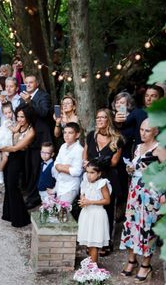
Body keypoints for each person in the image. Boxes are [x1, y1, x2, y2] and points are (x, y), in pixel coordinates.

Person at [120, 119, 166, 282]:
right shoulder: (138, 147)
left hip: (151, 195)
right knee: (131, 226)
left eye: (147, 130)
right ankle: (132, 260)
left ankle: (146, 265)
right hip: (134, 193)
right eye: (141, 129)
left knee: (147, 228)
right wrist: (130, 169)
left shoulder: (160, 149)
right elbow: (136, 168)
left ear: (156, 131)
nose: (142, 133)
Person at [83, 109, 124, 253]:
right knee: (91, 209)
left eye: (103, 117)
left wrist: (96, 164)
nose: (100, 120)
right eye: (98, 117)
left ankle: (106, 242)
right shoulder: (90, 136)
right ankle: (91, 241)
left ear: (109, 120)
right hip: (91, 178)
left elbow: (113, 162)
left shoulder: (117, 139)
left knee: (107, 211)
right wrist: (86, 163)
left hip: (108, 178)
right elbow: (85, 154)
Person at [17, 75, 53, 208]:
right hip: (28, 137)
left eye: (31, 82)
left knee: (36, 169)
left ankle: (35, 197)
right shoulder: (24, 96)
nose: (28, 85)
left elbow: (44, 113)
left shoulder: (43, 96)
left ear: (37, 83)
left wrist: (30, 101)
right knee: (28, 167)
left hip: (41, 138)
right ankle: (28, 192)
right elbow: (19, 112)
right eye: (26, 83)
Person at [0, 106, 35, 228]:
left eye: (22, 117)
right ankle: (8, 213)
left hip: (19, 159)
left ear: (28, 117)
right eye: (18, 116)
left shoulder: (31, 131)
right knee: (7, 185)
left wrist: (1, 148)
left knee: (12, 186)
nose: (19, 119)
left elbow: (16, 147)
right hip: (10, 157)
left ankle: (21, 218)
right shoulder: (16, 126)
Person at [77, 160, 112, 264]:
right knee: (88, 242)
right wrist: (82, 200)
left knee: (94, 243)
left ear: (99, 173)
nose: (89, 175)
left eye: (92, 173)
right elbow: (82, 193)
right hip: (86, 213)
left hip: (97, 214)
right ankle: (91, 264)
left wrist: (90, 202)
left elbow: (107, 200)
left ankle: (93, 268)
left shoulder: (102, 183)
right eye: (87, 172)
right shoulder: (85, 180)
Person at [51, 123, 84, 203]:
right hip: (60, 183)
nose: (66, 135)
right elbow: (56, 165)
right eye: (65, 132)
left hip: (71, 185)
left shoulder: (79, 150)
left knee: (63, 210)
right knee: (57, 209)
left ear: (77, 135)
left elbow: (77, 171)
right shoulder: (63, 146)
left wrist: (60, 167)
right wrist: (66, 167)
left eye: (70, 133)